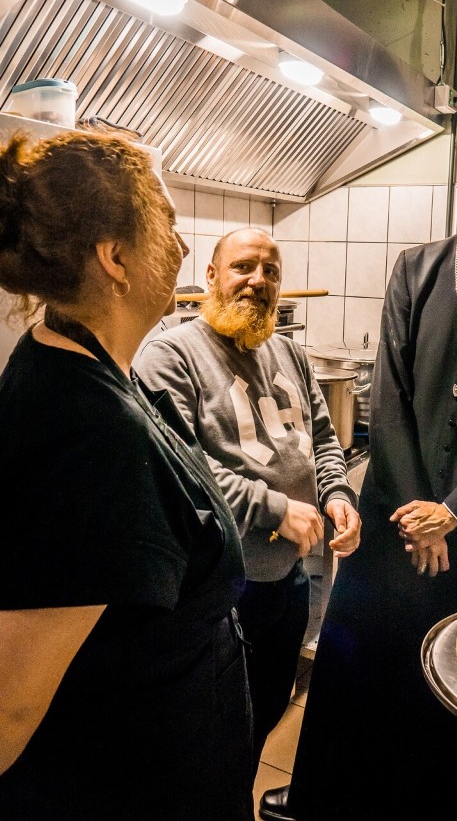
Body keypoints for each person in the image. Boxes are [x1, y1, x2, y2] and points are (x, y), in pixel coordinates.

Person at [260, 136, 457, 821]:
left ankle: (424, 806)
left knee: (454, 678)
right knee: (357, 662)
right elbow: (389, 400)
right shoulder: (417, 269)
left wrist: (455, 514)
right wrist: (417, 513)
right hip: (395, 520)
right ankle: (326, 795)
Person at [0, 130, 253, 821]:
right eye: (167, 223)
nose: (182, 247)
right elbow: (9, 706)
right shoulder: (88, 435)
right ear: (115, 257)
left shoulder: (87, 369)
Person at [136, 227, 361, 772]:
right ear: (211, 276)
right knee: (211, 736)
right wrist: (276, 510)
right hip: (218, 590)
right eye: (243, 267)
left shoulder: (289, 352)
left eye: (271, 271)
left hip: (289, 577)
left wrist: (335, 492)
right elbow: (185, 468)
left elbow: (323, 439)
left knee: (262, 714)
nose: (258, 281)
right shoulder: (170, 356)